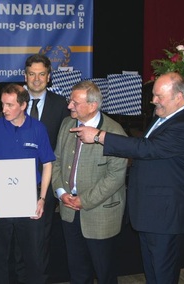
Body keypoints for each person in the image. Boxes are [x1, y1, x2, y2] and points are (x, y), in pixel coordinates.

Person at [73, 72, 184, 284]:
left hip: (166, 217)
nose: (153, 101)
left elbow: (147, 148)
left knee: (164, 274)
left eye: (159, 96)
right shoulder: (163, 116)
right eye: (153, 95)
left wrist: (99, 136)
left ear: (179, 98)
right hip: (150, 213)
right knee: (152, 272)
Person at [52, 81, 128, 283]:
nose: (69, 106)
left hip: (100, 214)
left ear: (93, 106)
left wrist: (83, 200)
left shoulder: (114, 132)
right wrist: (61, 192)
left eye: (74, 102)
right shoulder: (67, 124)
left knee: (105, 273)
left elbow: (116, 176)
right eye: (70, 100)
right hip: (68, 210)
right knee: (77, 271)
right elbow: (57, 161)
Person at [0, 83, 55, 284]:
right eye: (3, 104)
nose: (4, 110)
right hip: (1, 202)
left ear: (23, 105)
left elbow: (47, 164)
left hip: (30, 201)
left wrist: (42, 199)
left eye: (10, 105)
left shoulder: (38, 128)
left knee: (33, 259)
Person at [16, 53, 70, 282]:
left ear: (49, 77)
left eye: (41, 74)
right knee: (17, 237)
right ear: (24, 76)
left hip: (45, 182)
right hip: (14, 180)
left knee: (41, 237)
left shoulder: (62, 105)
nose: (36, 79)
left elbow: (64, 145)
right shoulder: (12, 101)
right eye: (31, 74)